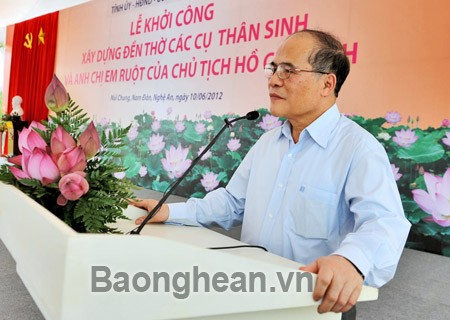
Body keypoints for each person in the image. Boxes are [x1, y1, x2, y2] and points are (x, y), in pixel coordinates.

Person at [131, 29, 411, 319]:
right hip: (252, 293)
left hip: (311, 304)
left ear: (327, 83)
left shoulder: (358, 148)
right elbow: (232, 202)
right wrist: (170, 212)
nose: (274, 79)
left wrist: (350, 262)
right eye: (274, 68)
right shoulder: (268, 143)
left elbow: (384, 222)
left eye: (289, 70)